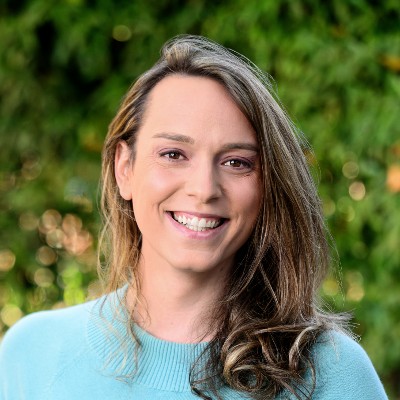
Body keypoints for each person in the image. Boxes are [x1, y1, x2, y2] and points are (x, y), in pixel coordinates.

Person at [0, 35, 388, 400]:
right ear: (125, 169)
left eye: (237, 162)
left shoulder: (330, 376)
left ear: (267, 185)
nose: (204, 189)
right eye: (173, 154)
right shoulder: (31, 357)